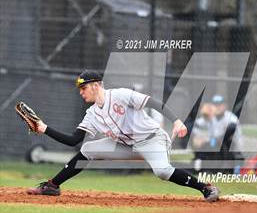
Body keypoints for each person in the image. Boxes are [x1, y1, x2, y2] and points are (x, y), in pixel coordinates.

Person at [27, 70, 220, 202]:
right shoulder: (92, 114)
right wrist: (44, 128)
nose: (80, 93)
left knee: (162, 172)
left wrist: (176, 120)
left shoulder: (119, 95)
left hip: (152, 140)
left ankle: (206, 188)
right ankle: (52, 186)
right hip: (126, 146)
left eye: (83, 88)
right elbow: (73, 140)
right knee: (87, 149)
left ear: (95, 86)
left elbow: (152, 102)